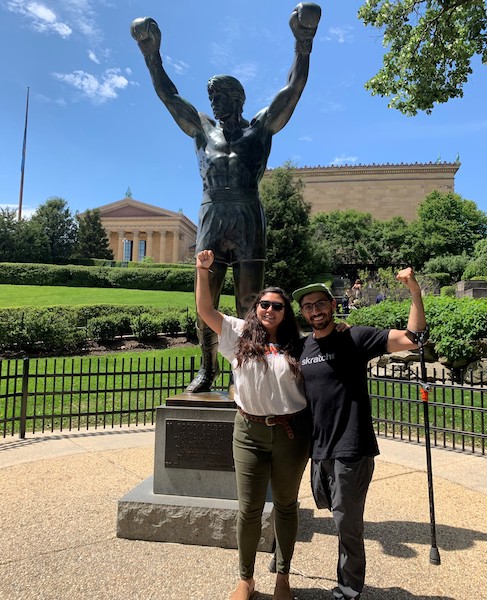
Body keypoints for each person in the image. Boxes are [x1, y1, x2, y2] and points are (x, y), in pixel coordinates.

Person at [130, 3, 321, 393]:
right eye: (211, 96)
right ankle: (207, 369)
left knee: (251, 299)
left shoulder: (261, 128)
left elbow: (294, 89)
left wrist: (303, 42)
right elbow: (170, 97)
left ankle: (248, 368)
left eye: (221, 96)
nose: (214, 102)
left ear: (238, 98)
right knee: (207, 296)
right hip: (212, 212)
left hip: (249, 212)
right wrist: (152, 55)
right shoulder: (202, 129)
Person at [292, 268, 427, 600]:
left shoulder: (354, 338)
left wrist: (414, 291)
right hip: (318, 449)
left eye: (320, 304)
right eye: (308, 306)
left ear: (333, 305)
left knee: (346, 524)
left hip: (351, 447)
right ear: (303, 313)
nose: (315, 310)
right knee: (326, 504)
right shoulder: (302, 348)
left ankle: (348, 590)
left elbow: (413, 338)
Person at [195, 249, 310, 600]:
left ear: (285, 312)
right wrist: (203, 271)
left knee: (287, 504)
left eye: (277, 306)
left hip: (291, 435)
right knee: (248, 508)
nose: (270, 310)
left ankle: (283, 575)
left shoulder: (301, 346)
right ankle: (245, 578)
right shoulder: (239, 333)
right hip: (248, 433)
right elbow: (205, 310)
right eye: (264, 304)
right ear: (255, 308)